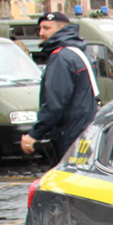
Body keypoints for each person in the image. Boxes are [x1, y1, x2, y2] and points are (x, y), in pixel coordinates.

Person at [19, 12, 99, 165]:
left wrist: (34, 134)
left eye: (46, 28)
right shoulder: (79, 52)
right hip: (85, 129)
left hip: (69, 133)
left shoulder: (61, 57)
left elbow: (55, 103)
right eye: (40, 29)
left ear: (62, 28)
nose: (41, 33)